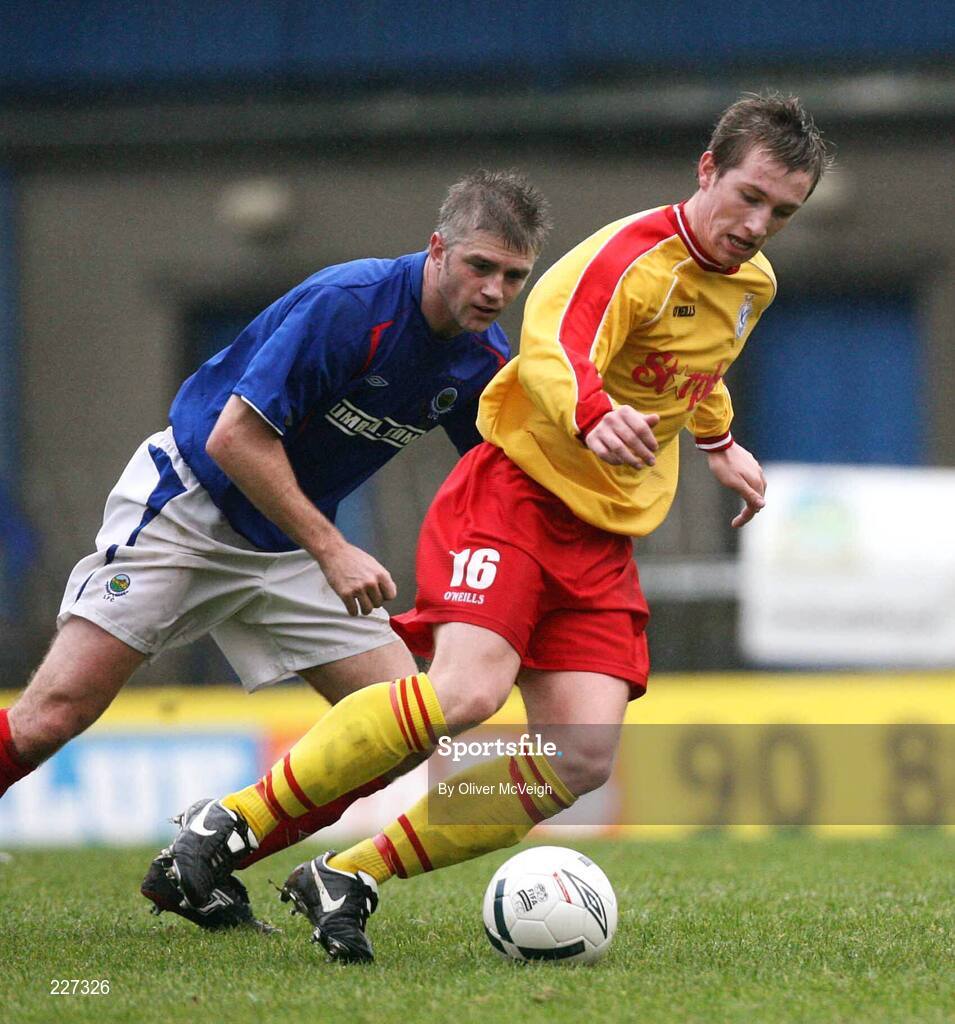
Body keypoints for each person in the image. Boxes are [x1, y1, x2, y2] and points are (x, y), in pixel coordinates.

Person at [157, 91, 833, 960]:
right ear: (707, 170)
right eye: (749, 197)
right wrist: (591, 412)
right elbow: (552, 351)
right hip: (514, 496)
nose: (758, 225)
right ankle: (231, 821)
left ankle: (349, 874)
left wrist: (718, 442)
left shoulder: (753, 284)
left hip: (601, 534)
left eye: (782, 212)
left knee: (579, 758)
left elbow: (694, 367)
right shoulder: (623, 260)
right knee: (466, 695)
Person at [0, 170, 550, 928]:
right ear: (436, 249)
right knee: (50, 718)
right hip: (191, 508)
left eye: (513, 276)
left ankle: (202, 860)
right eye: (479, 266)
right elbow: (233, 438)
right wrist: (332, 549)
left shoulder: (481, 358)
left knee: (402, 732)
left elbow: (497, 480)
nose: (493, 290)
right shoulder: (351, 305)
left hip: (289, 544)